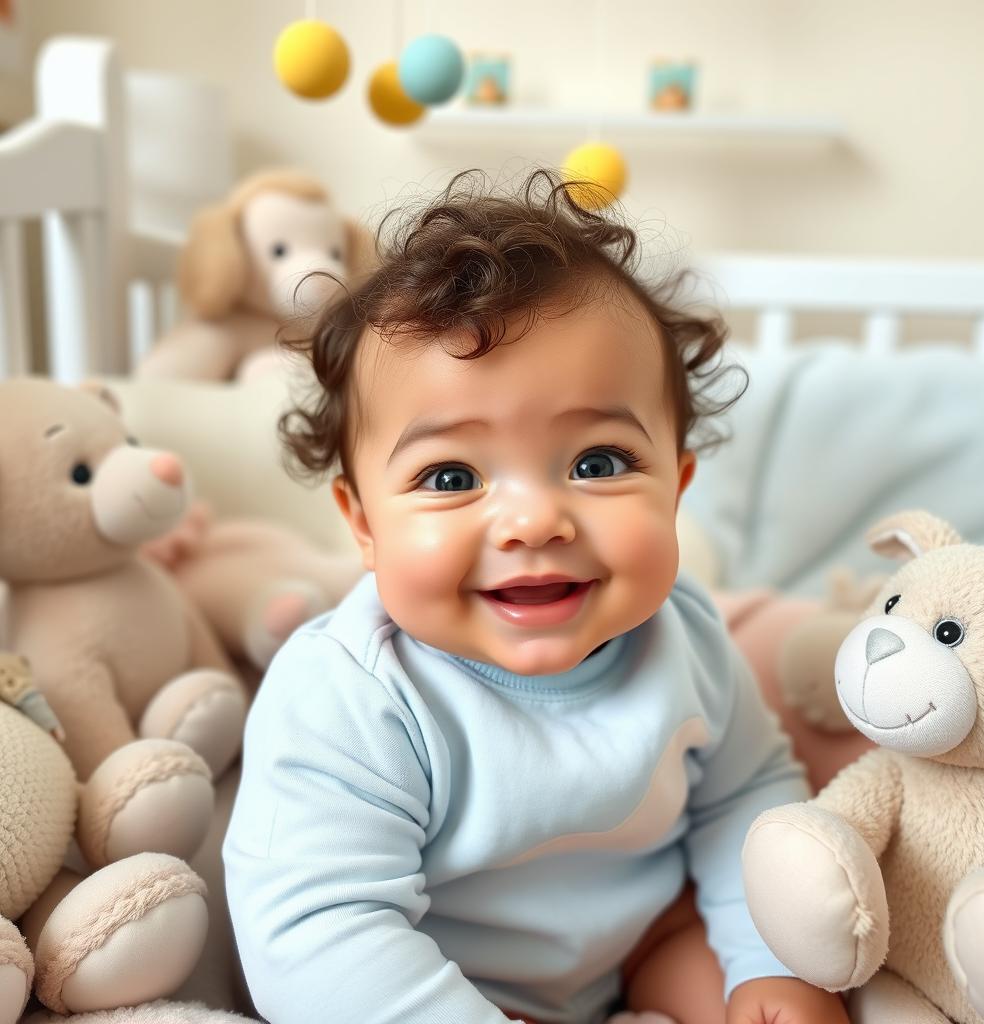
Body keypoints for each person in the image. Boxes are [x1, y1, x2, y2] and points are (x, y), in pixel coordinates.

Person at [223, 169, 850, 1024]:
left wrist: (769, 966)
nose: (532, 520)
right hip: (440, 980)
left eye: (598, 463)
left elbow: (746, 801)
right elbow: (317, 934)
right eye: (451, 476)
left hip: (642, 945)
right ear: (362, 525)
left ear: (676, 487)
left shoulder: (689, 636)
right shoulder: (352, 693)